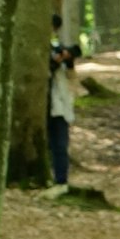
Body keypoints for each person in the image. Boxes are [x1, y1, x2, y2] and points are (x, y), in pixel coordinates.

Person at [46, 36, 79, 188]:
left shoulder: (56, 51)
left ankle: (61, 181)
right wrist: (52, 64)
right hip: (45, 106)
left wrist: (68, 60)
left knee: (59, 145)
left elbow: (72, 79)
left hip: (58, 108)